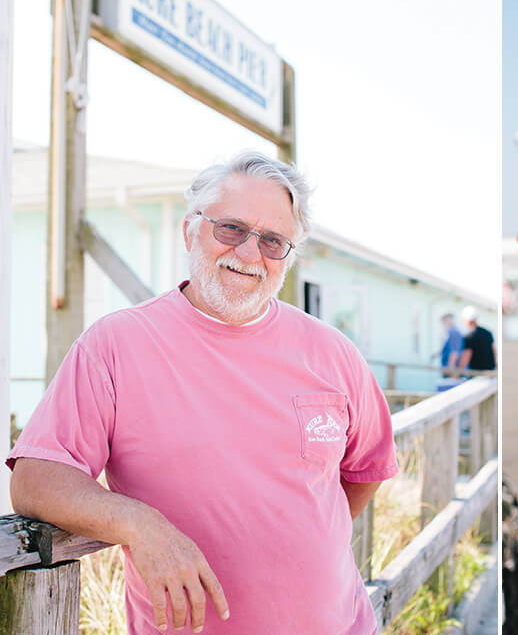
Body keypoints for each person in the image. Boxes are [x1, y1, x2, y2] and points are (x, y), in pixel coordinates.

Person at [7, 151, 399, 634]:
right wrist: (141, 524)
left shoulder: (334, 353)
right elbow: (36, 479)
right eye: (231, 228)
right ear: (191, 229)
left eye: (273, 241)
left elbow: (363, 472)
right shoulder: (115, 345)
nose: (250, 254)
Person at [457, 305, 496, 372]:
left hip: (477, 373)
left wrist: (457, 373)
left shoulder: (469, 336)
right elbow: (494, 351)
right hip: (490, 372)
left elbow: (466, 355)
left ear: (466, 320)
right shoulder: (487, 332)